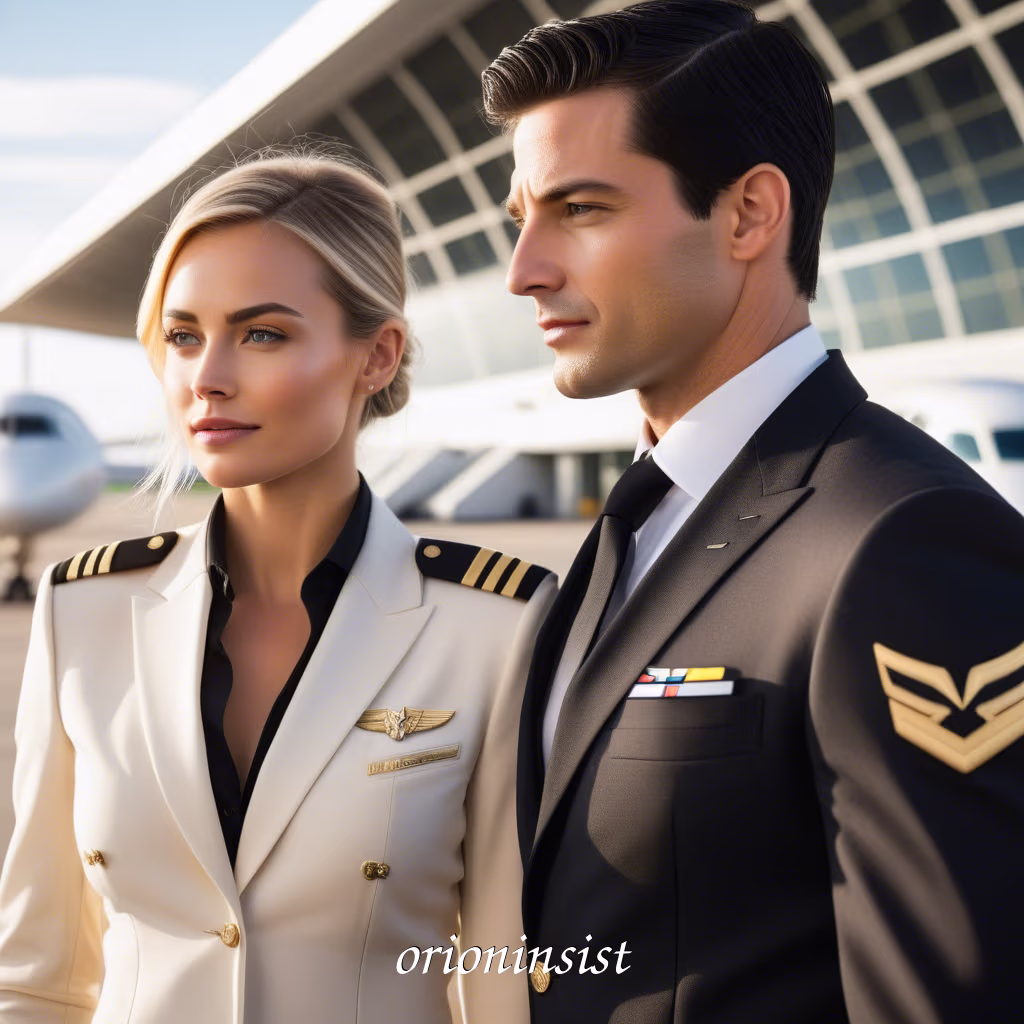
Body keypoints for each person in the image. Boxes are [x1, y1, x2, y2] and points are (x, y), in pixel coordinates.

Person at [483, 2, 1024, 1021]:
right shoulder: (631, 528)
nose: (526, 272)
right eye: (523, 219)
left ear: (747, 215)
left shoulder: (903, 542)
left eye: (582, 210)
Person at [0, 154, 555, 1024]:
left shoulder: (494, 626)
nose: (207, 376)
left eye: (262, 334)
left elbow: (503, 977)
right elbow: (34, 981)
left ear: (376, 356)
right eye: (183, 336)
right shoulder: (85, 610)